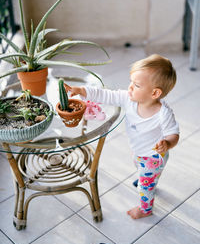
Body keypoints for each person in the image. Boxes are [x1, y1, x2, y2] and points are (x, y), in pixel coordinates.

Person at [64, 54, 179, 219]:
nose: (130, 87)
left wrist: (167, 143)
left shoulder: (163, 113)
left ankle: (145, 209)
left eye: (137, 85)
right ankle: (149, 179)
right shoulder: (129, 99)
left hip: (153, 157)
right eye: (131, 82)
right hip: (139, 152)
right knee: (141, 169)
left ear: (154, 93)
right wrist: (82, 91)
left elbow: (174, 133)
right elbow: (106, 95)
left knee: (144, 188)